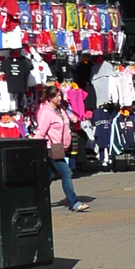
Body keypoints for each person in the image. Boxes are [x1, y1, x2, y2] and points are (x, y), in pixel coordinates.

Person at [36, 84, 89, 212]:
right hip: (51, 148)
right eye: (56, 96)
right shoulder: (46, 112)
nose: (59, 98)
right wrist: (37, 148)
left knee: (49, 176)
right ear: (49, 98)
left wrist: (75, 118)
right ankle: (74, 202)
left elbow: (69, 119)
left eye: (60, 95)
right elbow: (41, 131)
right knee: (66, 172)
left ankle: (35, 199)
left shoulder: (61, 109)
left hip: (61, 148)